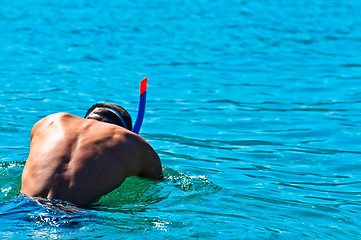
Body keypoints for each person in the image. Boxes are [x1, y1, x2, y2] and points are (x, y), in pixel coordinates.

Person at [20, 103, 163, 206]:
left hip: (20, 206)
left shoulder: (50, 122)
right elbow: (156, 185)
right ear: (125, 130)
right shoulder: (135, 144)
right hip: (72, 215)